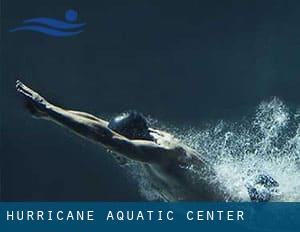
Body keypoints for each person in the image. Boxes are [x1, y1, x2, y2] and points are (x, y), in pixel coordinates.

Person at [15, 80, 277, 201]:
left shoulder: (161, 154)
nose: (111, 151)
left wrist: (48, 109)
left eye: (115, 146)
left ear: (132, 140)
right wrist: (51, 113)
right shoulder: (146, 139)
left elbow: (105, 137)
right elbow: (99, 126)